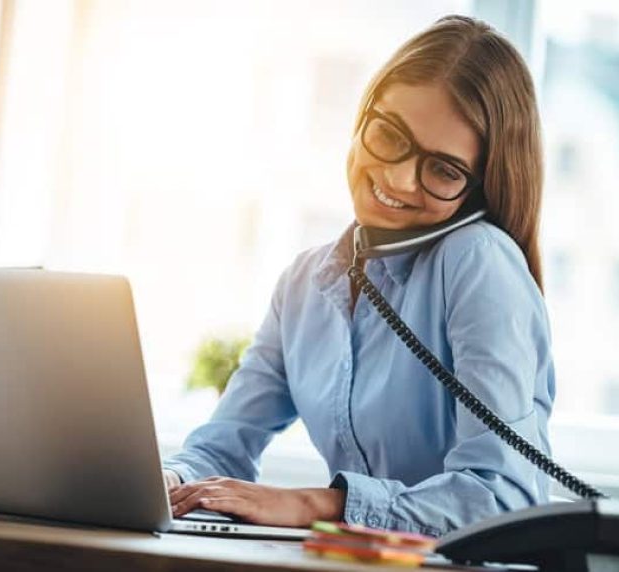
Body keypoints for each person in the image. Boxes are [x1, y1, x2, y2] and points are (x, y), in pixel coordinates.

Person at [162, 14, 555, 537]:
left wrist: (314, 504)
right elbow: (221, 448)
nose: (397, 179)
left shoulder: (477, 259)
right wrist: (168, 481)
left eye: (443, 169)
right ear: (363, 113)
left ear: (478, 190)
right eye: (390, 135)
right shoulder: (305, 282)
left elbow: (501, 497)